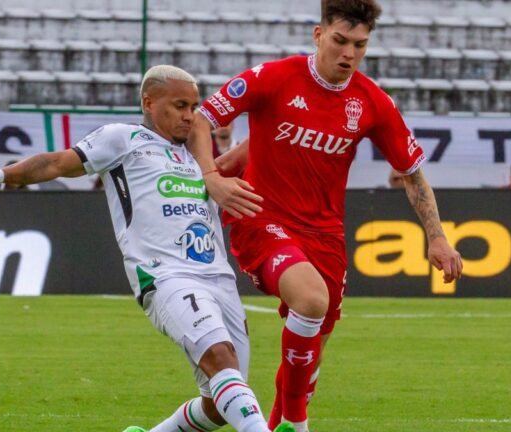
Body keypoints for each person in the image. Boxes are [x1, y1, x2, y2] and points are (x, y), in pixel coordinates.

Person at [0, 65, 294, 432]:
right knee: (220, 360)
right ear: (149, 102)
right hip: (166, 276)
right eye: (180, 105)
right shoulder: (123, 139)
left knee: (219, 402)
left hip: (218, 278)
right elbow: (56, 163)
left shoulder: (201, 159)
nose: (189, 115)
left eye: (193, 106)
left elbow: (260, 147)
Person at [186, 1, 464, 430]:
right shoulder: (273, 77)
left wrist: (437, 237)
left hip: (325, 234)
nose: (348, 53)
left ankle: (275, 420)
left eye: (359, 45)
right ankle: (297, 425)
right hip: (261, 218)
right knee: (311, 300)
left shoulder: (372, 102)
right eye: (339, 41)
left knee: (314, 340)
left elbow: (411, 173)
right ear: (319, 36)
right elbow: (203, 120)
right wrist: (211, 176)